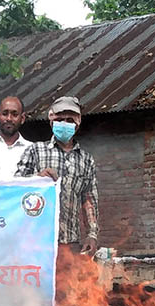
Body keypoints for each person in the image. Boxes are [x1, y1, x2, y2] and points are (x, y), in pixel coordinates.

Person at [16, 96, 99, 256]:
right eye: (60, 119)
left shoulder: (85, 159)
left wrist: (92, 235)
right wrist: (37, 179)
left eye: (69, 120)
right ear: (51, 121)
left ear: (77, 123)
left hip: (70, 243)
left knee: (69, 282)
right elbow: (15, 187)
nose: (65, 124)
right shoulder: (36, 151)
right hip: (37, 242)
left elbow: (89, 200)